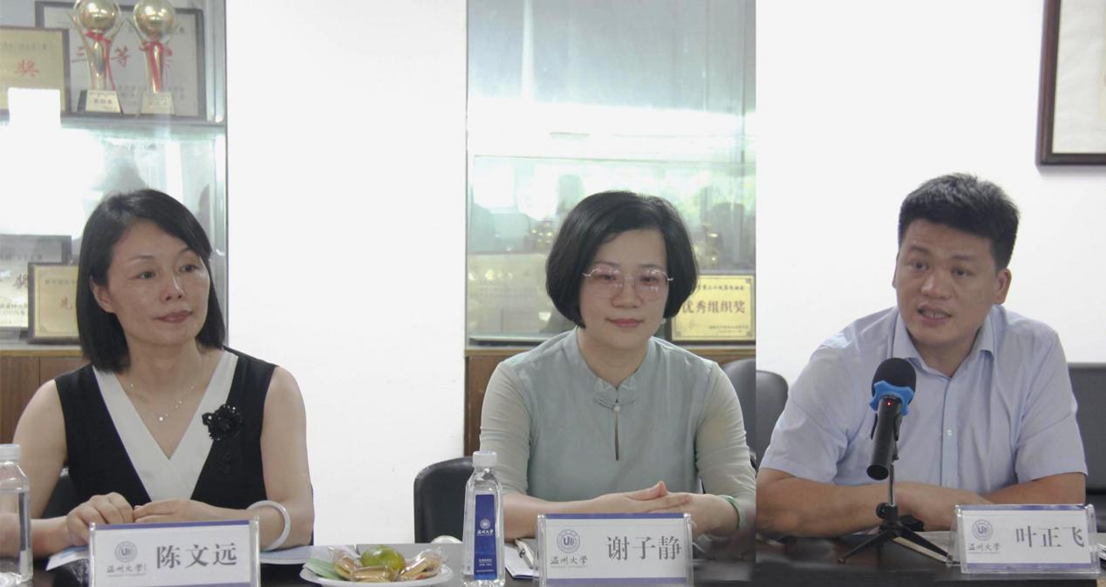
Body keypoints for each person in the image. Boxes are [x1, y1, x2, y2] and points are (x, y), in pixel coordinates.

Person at [757, 173, 1086, 537]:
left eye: (960, 271)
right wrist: (904, 498)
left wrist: (954, 515)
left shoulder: (1034, 352)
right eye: (918, 265)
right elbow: (773, 503)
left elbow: (1061, 496)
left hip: (991, 564)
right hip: (868, 563)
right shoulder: (843, 361)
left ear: (999, 285)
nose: (933, 288)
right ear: (896, 267)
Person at [14, 189, 314, 557]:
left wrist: (218, 522)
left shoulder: (269, 388)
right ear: (102, 294)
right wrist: (68, 529)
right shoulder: (61, 402)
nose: (174, 290)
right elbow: (5, 525)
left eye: (189, 267)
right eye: (146, 274)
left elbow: (300, 520)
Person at [479, 191, 756, 542]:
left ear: (671, 286)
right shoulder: (518, 381)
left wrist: (716, 511)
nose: (627, 298)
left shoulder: (703, 382)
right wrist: (595, 514)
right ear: (573, 280)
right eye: (606, 276)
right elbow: (493, 508)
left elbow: (748, 504)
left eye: (649, 279)